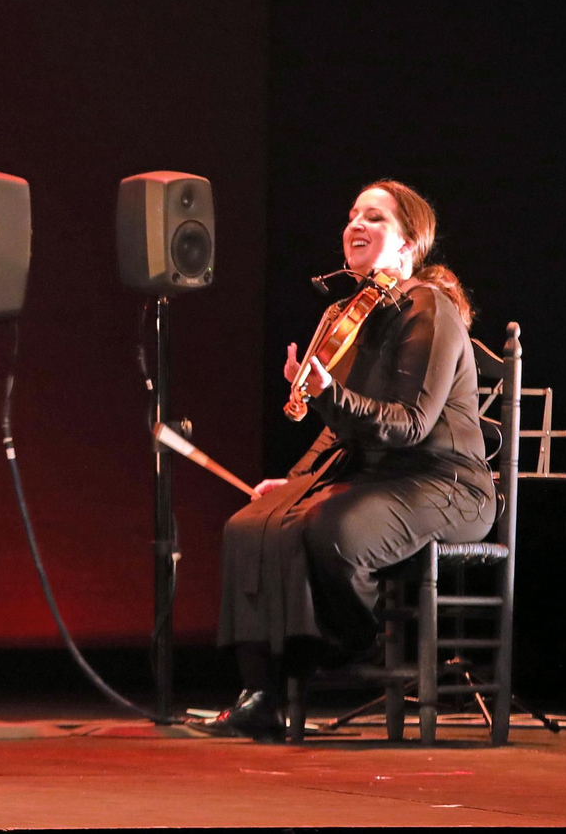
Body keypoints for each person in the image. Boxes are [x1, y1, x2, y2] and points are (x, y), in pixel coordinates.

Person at [194, 180, 495, 740]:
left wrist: (328, 392)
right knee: (250, 524)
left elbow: (409, 425)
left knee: (328, 526)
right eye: (353, 215)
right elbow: (339, 432)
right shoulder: (348, 314)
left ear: (408, 245)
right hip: (375, 477)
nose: (356, 225)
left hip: (444, 483)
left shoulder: (429, 306)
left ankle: (348, 646)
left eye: (375, 219)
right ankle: (261, 693)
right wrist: (294, 481)